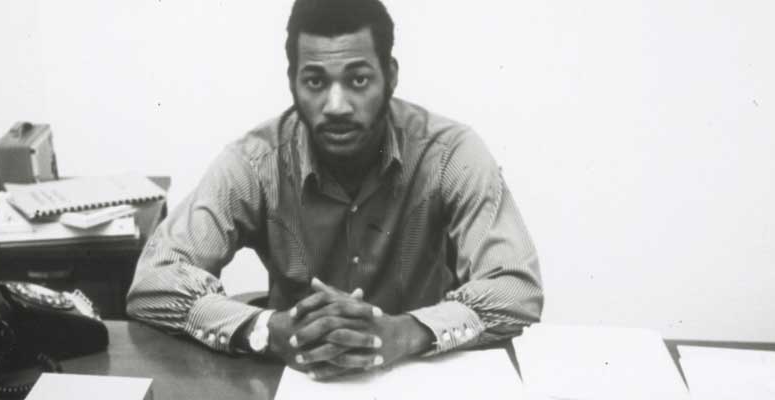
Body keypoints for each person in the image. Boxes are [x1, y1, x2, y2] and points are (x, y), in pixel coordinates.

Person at [126, 0, 543, 379]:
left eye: (359, 80)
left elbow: (516, 289)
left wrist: (408, 331)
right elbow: (154, 281)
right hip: (298, 380)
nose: (337, 105)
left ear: (390, 76)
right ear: (292, 82)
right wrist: (265, 330)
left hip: (421, 377)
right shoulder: (256, 163)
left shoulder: (450, 154)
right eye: (315, 82)